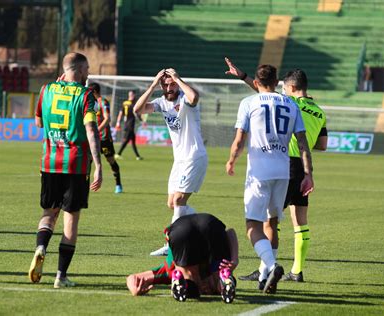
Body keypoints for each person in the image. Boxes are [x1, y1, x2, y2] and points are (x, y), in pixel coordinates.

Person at [224, 58, 328, 283]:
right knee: (296, 221)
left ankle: (269, 266)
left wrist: (243, 77)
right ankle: (295, 271)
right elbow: (320, 145)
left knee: (261, 223)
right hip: (298, 167)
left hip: (274, 164)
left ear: (290, 87)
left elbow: (264, 96)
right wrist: (309, 173)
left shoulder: (285, 102)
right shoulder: (316, 110)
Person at [29, 52, 103, 288]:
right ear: (79, 70)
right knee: (71, 220)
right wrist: (98, 165)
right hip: (76, 164)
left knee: (49, 214)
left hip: (49, 162)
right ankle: (61, 276)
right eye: (87, 69)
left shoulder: (46, 90)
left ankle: (41, 247)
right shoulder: (86, 95)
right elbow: (91, 129)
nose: (89, 73)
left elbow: (38, 122)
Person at [134, 68, 208, 256]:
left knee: (178, 200)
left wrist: (178, 78)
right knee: (172, 204)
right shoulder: (160, 102)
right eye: (166, 84)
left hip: (194, 156)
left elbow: (195, 97)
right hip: (179, 160)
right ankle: (203, 228)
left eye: (172, 84)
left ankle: (172, 244)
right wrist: (152, 85)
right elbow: (138, 110)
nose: (169, 87)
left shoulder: (185, 99)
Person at [126, 213, 238, 303]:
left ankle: (186, 281)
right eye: (208, 291)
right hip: (207, 223)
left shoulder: (168, 272)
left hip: (185, 229)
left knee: (194, 273)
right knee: (218, 272)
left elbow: (133, 277)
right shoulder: (217, 267)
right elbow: (230, 232)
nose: (206, 290)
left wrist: (133, 289)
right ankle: (222, 281)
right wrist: (234, 260)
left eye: (204, 292)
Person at [88, 82, 123, 193]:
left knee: (110, 160)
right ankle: (85, 185)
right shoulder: (90, 103)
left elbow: (107, 118)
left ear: (94, 91)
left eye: (90, 91)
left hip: (104, 138)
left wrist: (97, 131)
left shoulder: (103, 102)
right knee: (87, 161)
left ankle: (118, 185)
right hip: (93, 138)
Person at [115, 90, 143, 160]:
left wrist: (118, 122)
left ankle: (138, 156)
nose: (131, 96)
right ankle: (118, 154)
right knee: (127, 140)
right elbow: (136, 114)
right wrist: (141, 120)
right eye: (131, 95)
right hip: (130, 124)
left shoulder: (125, 103)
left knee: (133, 140)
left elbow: (121, 113)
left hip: (127, 123)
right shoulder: (133, 104)